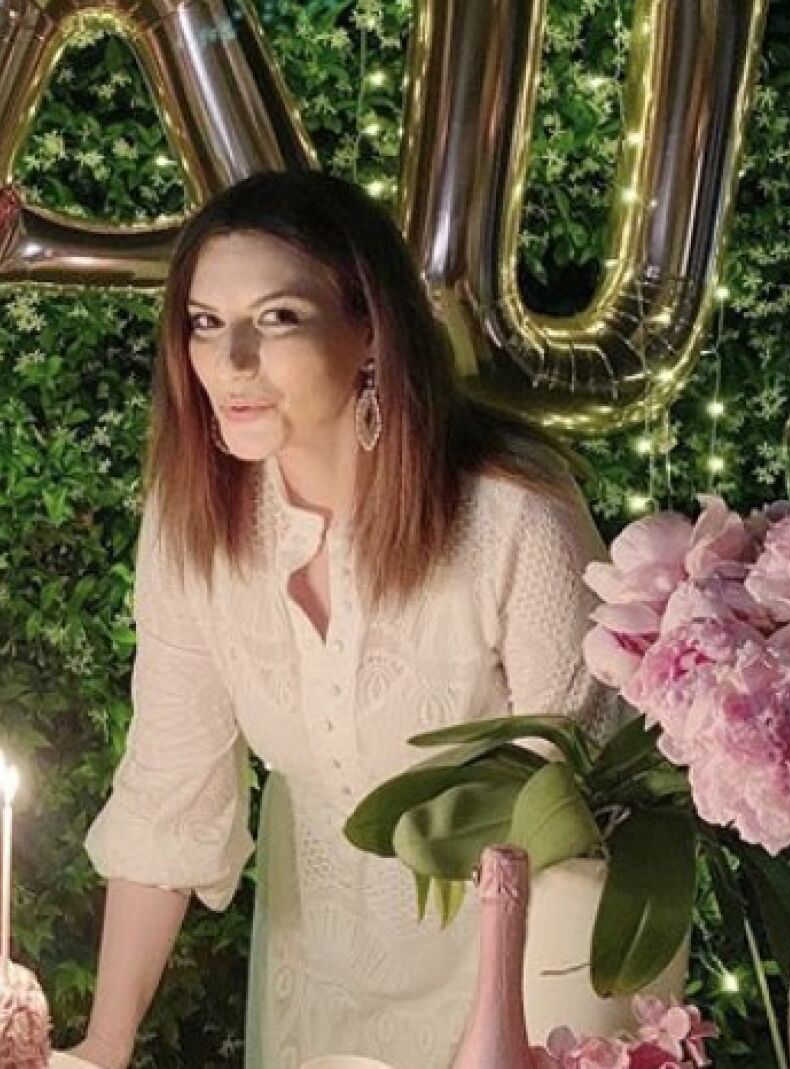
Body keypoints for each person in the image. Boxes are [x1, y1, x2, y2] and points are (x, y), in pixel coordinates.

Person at [68, 169, 614, 1068]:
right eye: (204, 322)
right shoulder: (193, 517)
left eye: (277, 317)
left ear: (369, 329)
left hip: (521, 993)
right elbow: (168, 789)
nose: (230, 361)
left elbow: (579, 824)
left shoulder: (513, 511)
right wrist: (102, 1046)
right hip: (311, 979)